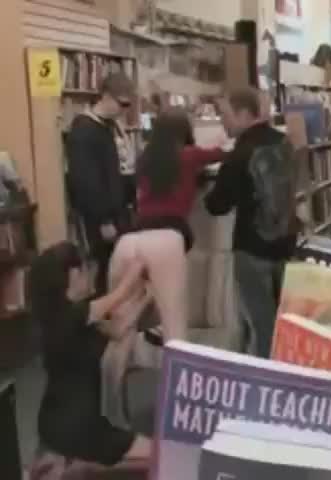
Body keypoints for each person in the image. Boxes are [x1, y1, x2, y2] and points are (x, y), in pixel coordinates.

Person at [29, 242, 151, 466]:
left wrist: (146, 297)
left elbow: (118, 329)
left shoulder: (68, 317)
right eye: (87, 267)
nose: (92, 273)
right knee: (158, 452)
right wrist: (140, 263)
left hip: (58, 421)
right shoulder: (72, 314)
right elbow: (119, 295)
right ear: (73, 274)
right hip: (79, 427)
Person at [205, 87, 291, 358]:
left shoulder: (239, 154)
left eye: (225, 115)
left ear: (243, 114)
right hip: (287, 245)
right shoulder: (285, 143)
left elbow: (217, 205)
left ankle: (264, 374)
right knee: (285, 321)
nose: (222, 122)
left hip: (252, 248)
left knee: (261, 323)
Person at [66, 73, 137, 292]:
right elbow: (86, 180)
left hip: (120, 210)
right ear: (106, 96)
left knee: (120, 268)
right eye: (122, 104)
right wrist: (104, 219)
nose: (124, 110)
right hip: (101, 217)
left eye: (128, 105)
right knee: (105, 270)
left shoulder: (111, 126)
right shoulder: (84, 128)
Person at [135, 108, 225, 250]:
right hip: (174, 224)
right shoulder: (189, 154)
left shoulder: (145, 156)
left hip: (143, 223)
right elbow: (219, 154)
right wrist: (220, 142)